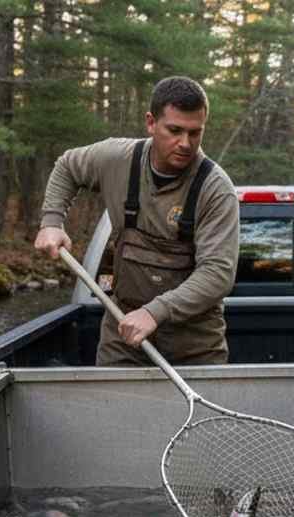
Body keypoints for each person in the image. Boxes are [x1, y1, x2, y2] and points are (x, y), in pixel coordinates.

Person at [34, 76, 239, 366]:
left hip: (194, 347)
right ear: (151, 122)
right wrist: (52, 220)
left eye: (195, 133)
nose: (185, 143)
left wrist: (155, 312)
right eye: (175, 130)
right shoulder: (116, 158)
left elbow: (218, 274)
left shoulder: (216, 189)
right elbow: (67, 166)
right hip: (123, 336)